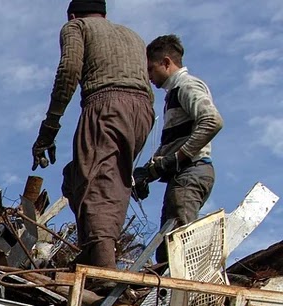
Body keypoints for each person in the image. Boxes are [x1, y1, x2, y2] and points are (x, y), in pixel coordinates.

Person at [32, 0, 154, 269]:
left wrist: (49, 128)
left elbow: (68, 71)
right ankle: (93, 249)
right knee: (79, 177)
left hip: (106, 104)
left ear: (73, 14)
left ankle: (103, 270)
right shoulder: (133, 36)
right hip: (143, 112)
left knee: (97, 186)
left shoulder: (77, 27)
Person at [134, 34, 223, 264]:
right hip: (184, 174)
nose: (149, 76)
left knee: (181, 246)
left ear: (166, 62)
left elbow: (212, 121)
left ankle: (188, 296)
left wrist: (178, 158)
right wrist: (148, 173)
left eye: (151, 69)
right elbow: (173, 145)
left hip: (191, 172)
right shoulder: (172, 95)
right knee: (167, 249)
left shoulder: (186, 85)